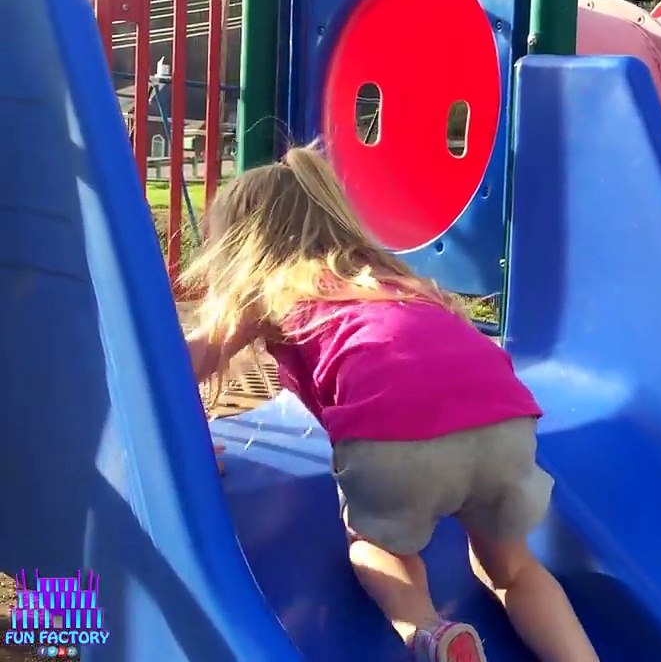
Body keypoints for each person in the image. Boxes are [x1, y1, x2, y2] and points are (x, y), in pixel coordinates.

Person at [182, 147, 599, 662]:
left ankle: (429, 631)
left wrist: (181, 442)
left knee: (377, 549)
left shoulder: (273, 288)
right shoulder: (400, 284)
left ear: (247, 248)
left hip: (398, 439)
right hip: (506, 421)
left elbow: (183, 364)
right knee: (513, 569)